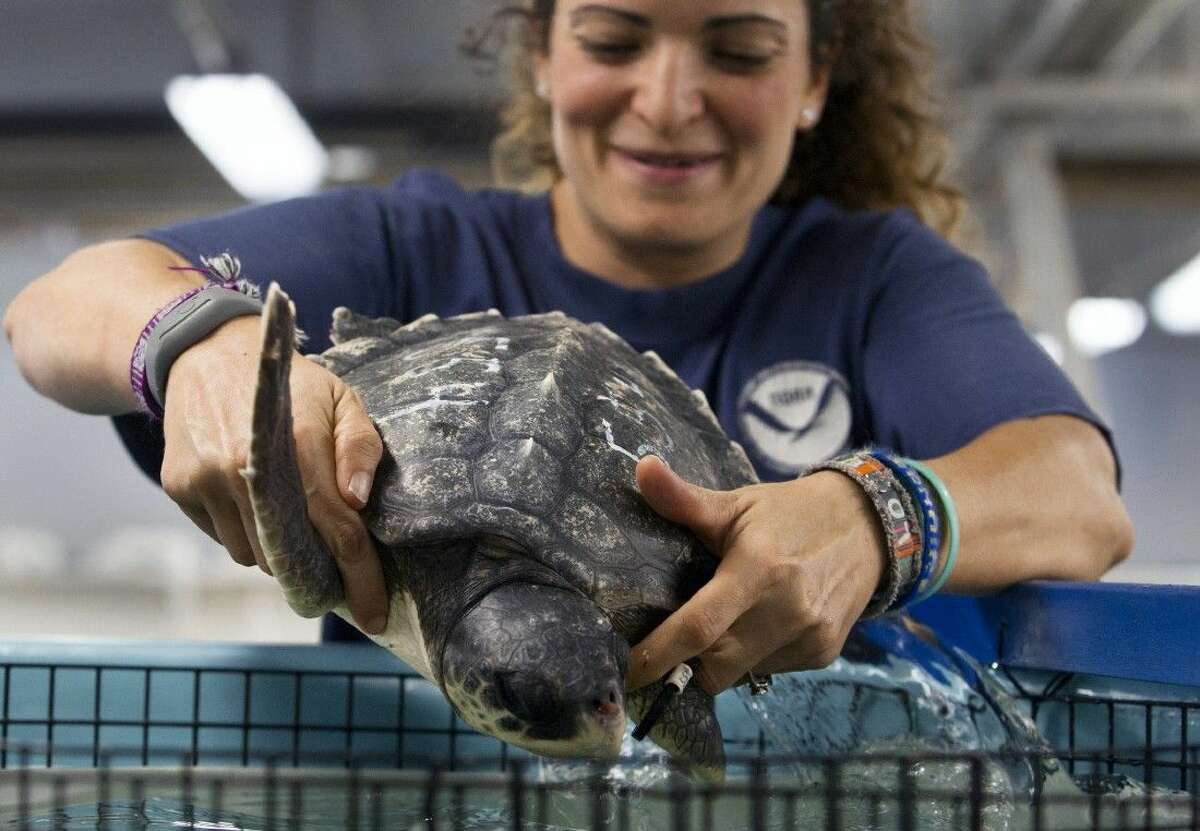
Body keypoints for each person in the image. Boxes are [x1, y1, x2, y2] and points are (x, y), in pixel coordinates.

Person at [4, 0, 1131, 698]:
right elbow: (57, 307)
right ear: (543, 52)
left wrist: (875, 519)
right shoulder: (412, 247)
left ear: (815, 81)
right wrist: (196, 346)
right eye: (613, 39)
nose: (669, 99)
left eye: (737, 49)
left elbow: (1079, 493)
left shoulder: (873, 277)